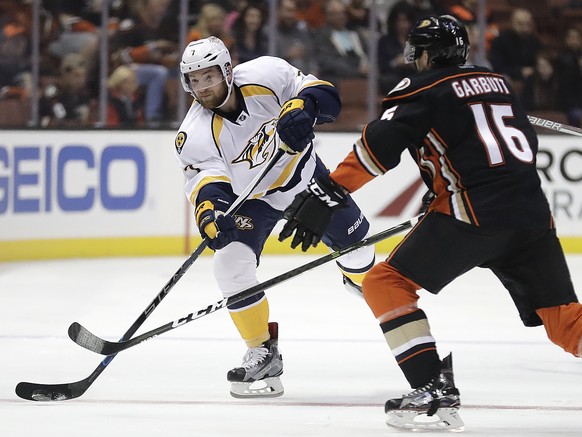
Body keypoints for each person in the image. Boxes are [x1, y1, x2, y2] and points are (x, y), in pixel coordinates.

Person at [278, 15, 582, 431]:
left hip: (472, 213)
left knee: (384, 283)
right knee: (564, 321)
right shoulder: (498, 84)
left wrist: (329, 192)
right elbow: (514, 150)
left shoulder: (421, 88)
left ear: (425, 54)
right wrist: (440, 187)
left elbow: (377, 149)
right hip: (532, 215)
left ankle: (432, 393)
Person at [174, 36, 375, 398]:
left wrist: (304, 107)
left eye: (208, 77)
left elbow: (323, 93)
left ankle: (357, 279)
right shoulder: (194, 133)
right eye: (194, 80)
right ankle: (263, 351)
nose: (202, 87)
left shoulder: (267, 73)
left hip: (306, 179)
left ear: (227, 71)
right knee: (229, 266)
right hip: (254, 200)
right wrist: (211, 213)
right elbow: (207, 183)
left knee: (361, 254)